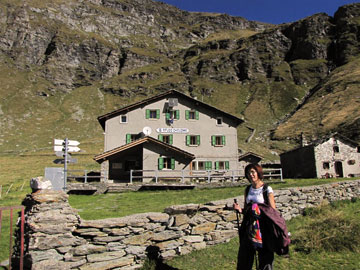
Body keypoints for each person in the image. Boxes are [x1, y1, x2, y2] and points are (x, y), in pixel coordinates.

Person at [233, 163, 276, 270]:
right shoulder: (248, 190)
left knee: (265, 256)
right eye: (248, 173)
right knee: (244, 256)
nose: (250, 175)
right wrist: (240, 210)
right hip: (248, 227)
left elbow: (272, 211)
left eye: (253, 172)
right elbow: (246, 209)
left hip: (263, 227)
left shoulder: (267, 189)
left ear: (258, 172)